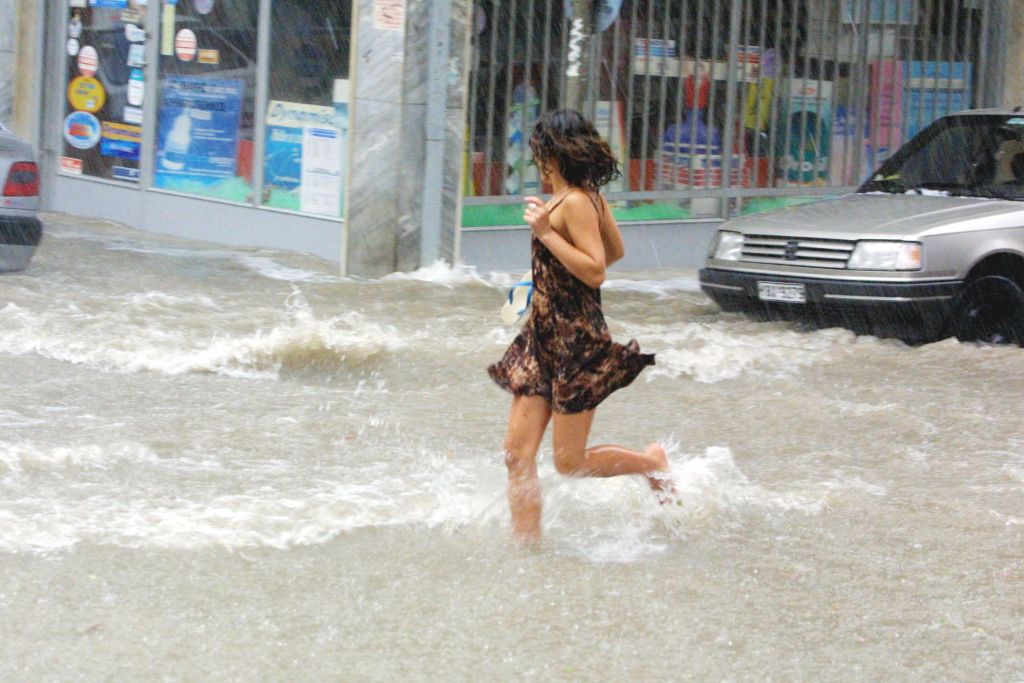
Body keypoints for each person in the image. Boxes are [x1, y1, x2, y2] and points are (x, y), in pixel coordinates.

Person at [487, 109, 671, 543]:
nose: (538, 166)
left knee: (569, 463)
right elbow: (615, 251)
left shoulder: (574, 202)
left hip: (575, 340)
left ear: (555, 155)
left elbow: (596, 271)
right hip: (542, 337)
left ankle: (652, 464)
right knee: (516, 454)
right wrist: (539, 280)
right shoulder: (584, 197)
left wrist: (548, 234)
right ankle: (527, 548)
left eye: (540, 156)